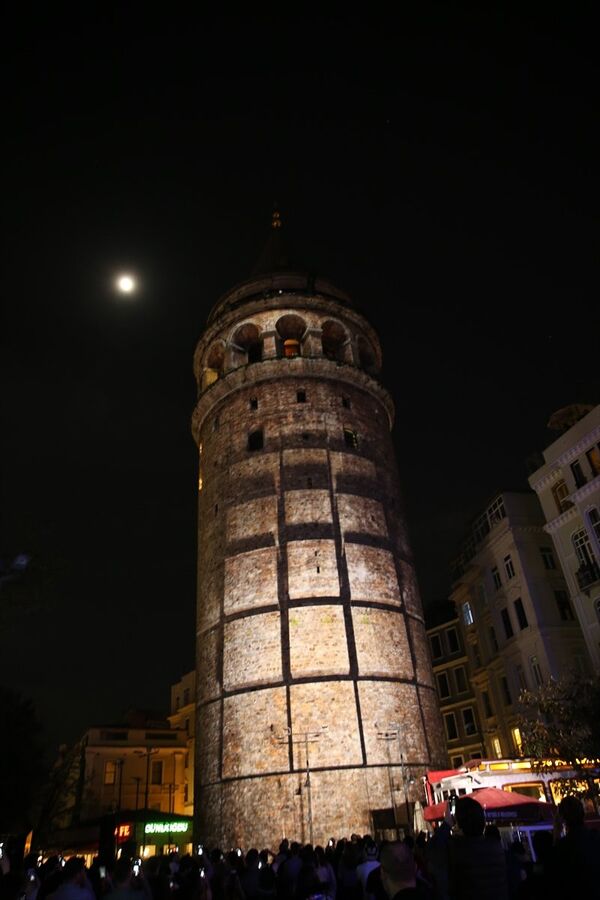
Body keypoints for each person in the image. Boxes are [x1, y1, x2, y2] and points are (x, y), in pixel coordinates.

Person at [447, 795, 509, 900]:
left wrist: (447, 824)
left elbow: (435, 847)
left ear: (460, 822)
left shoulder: (458, 849)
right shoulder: (496, 846)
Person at [548, 794, 600, 898]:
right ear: (583, 813)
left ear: (562, 818)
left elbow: (555, 874)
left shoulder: (562, 846)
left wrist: (556, 832)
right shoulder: (596, 837)